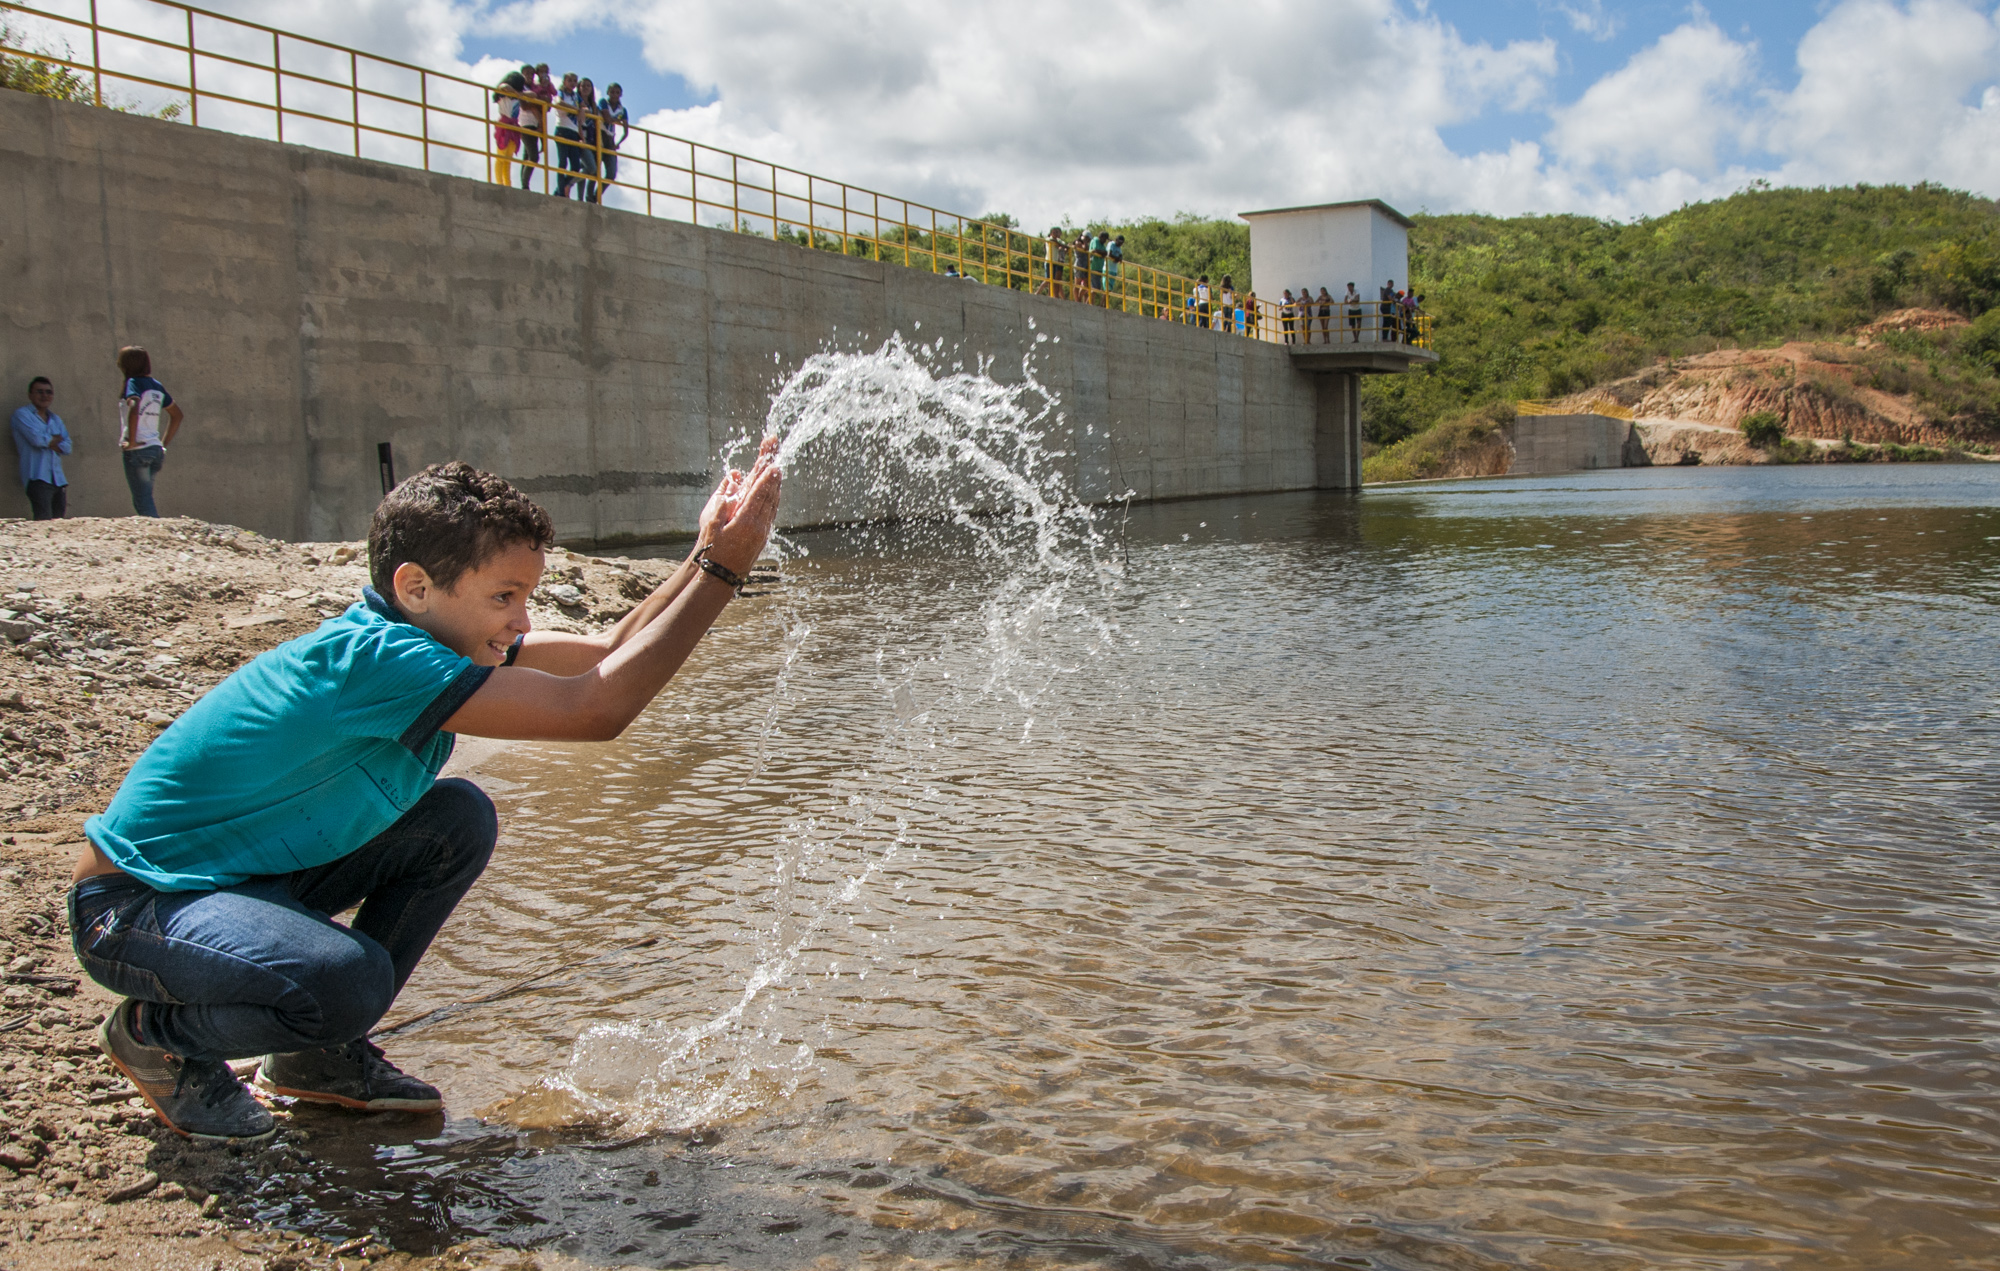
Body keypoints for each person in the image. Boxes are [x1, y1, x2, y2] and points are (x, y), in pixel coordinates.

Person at [69, 452, 783, 1143]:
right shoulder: (381, 660)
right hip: (135, 910)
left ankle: (316, 1054)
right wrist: (726, 572)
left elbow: (602, 654)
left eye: (526, 598)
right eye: (504, 597)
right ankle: (156, 1037)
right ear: (415, 587)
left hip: (232, 884)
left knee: (455, 819)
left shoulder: (434, 642)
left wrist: (703, 553)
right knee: (346, 982)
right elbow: (595, 710)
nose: (522, 621)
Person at [117, 347, 181, 518]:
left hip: (138, 450)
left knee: (143, 501)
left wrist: (132, 441)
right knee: (146, 496)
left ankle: (158, 531)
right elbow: (177, 415)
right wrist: (162, 444)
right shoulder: (156, 385)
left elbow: (134, 406)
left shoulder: (133, 383)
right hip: (154, 449)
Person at [11, 377, 70, 520]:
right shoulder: (22, 415)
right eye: (39, 392)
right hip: (37, 477)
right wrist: (55, 440)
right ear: (30, 395)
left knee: (59, 522)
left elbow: (67, 447)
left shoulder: (55, 419)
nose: (44, 396)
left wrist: (48, 440)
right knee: (43, 521)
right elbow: (36, 440)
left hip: (58, 480)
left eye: (48, 392)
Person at [516, 65, 553, 191]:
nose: (529, 75)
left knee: (527, 155)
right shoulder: (522, 87)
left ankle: (524, 185)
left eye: (532, 73)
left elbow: (545, 107)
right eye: (526, 73)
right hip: (525, 123)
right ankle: (525, 184)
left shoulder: (535, 88)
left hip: (535, 124)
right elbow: (525, 105)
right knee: (533, 156)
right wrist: (536, 103)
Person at [552, 72, 585, 199]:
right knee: (562, 162)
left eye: (574, 81)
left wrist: (581, 110)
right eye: (570, 80)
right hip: (562, 129)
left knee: (576, 166)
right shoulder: (560, 92)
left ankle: (561, 187)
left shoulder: (576, 96)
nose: (572, 83)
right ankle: (561, 192)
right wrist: (575, 109)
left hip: (574, 132)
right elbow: (559, 103)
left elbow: (584, 108)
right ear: (564, 81)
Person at [492, 72, 525, 188]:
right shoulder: (503, 93)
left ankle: (507, 183)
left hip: (514, 127)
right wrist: (517, 94)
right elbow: (503, 86)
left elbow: (532, 95)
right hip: (504, 126)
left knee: (508, 159)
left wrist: (519, 94)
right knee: (501, 156)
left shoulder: (518, 96)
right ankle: (499, 182)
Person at [597, 83, 630, 197]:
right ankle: (589, 196)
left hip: (611, 138)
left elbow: (626, 130)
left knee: (611, 173)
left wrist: (618, 143)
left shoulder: (622, 109)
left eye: (617, 93)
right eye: (612, 92)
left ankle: (597, 195)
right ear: (608, 93)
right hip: (600, 134)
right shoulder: (603, 102)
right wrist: (617, 120)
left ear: (621, 94)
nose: (614, 95)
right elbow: (607, 118)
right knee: (595, 168)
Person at [575, 78, 602, 203]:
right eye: (583, 86)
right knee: (591, 168)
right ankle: (569, 184)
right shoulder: (576, 101)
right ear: (579, 88)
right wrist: (581, 137)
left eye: (588, 86)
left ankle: (582, 198)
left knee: (586, 168)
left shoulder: (593, 105)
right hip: (580, 137)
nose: (585, 88)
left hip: (592, 138)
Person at [1041, 227, 1063, 298]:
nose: (1055, 234)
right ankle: (1037, 292)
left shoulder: (1058, 241)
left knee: (1052, 280)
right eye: (1054, 232)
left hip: (1054, 262)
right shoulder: (1048, 239)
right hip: (1049, 261)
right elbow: (1053, 241)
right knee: (1048, 279)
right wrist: (1058, 243)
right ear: (1051, 233)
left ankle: (1050, 295)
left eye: (1056, 232)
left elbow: (1061, 245)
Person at [1107, 235, 1125, 309]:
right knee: (1107, 289)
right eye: (1119, 242)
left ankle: (1105, 305)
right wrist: (1117, 258)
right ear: (1116, 240)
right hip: (1108, 268)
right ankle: (1102, 305)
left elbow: (1120, 256)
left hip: (1114, 270)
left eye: (1122, 243)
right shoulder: (1111, 244)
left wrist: (1118, 258)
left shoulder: (1119, 248)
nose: (1120, 244)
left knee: (1110, 290)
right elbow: (1109, 254)